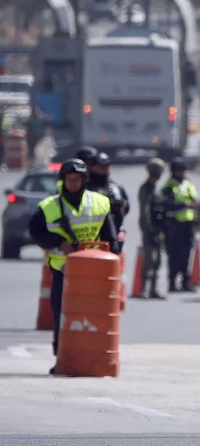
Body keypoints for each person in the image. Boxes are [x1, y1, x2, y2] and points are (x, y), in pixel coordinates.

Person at [27, 158, 119, 372]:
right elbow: (36, 232)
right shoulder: (48, 207)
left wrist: (110, 264)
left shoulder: (100, 203)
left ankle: (94, 357)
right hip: (63, 271)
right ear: (63, 181)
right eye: (69, 180)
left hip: (95, 273)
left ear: (84, 180)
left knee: (95, 316)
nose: (73, 184)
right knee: (63, 316)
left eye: (77, 179)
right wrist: (58, 242)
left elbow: (111, 239)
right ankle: (63, 358)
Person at [161, 157, 199, 292]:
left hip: (188, 225)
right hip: (174, 225)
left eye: (182, 170)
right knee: (174, 254)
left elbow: (196, 203)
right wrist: (185, 205)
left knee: (187, 254)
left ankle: (185, 282)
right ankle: (172, 282)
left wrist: (199, 222)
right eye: (178, 170)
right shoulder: (169, 187)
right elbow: (166, 205)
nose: (181, 172)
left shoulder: (188, 185)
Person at [84, 151, 130, 252]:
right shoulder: (85, 188)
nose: (104, 170)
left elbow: (125, 208)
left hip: (114, 238)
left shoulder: (116, 188)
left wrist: (121, 230)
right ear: (91, 167)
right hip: (91, 238)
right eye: (101, 166)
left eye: (107, 166)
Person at [138, 157, 167, 299]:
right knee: (149, 259)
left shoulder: (155, 189)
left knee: (158, 259)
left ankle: (153, 289)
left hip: (158, 228)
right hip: (150, 229)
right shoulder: (146, 189)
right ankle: (144, 289)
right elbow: (145, 210)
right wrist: (148, 228)